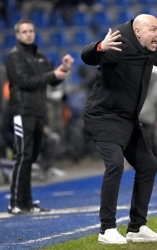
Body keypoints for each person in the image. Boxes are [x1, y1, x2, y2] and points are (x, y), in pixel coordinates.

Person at [81, 14, 157, 244]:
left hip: (127, 118)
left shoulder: (146, 48)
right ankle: (106, 229)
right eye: (153, 29)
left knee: (148, 164)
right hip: (103, 116)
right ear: (138, 32)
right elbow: (86, 56)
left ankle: (137, 227)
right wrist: (99, 46)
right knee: (115, 164)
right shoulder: (117, 42)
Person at [5, 18, 74, 215]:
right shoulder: (14, 57)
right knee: (23, 156)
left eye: (30, 30)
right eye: (24, 31)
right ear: (17, 35)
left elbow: (53, 82)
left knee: (32, 157)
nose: (28, 34)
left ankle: (26, 202)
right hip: (22, 112)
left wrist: (64, 69)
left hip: (38, 113)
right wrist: (54, 74)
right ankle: (15, 202)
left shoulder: (41, 57)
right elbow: (25, 81)